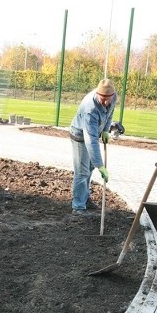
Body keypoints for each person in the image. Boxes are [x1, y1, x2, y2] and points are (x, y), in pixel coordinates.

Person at [69, 78, 118, 216]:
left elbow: (110, 113)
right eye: (103, 99)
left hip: (94, 133)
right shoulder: (90, 108)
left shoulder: (113, 97)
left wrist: (106, 129)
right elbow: (90, 141)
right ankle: (78, 206)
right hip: (79, 136)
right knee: (82, 171)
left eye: (108, 99)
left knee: (89, 169)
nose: (106, 102)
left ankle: (84, 198)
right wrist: (100, 165)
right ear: (97, 94)